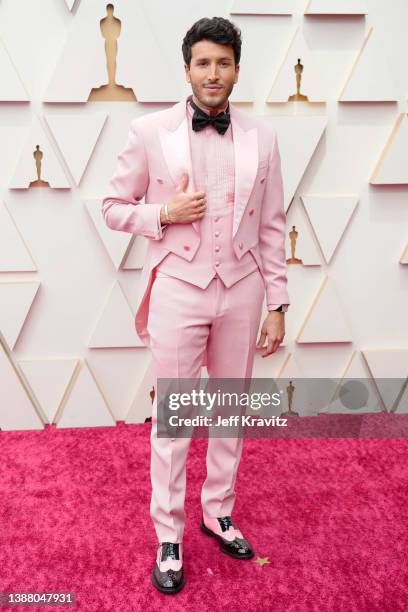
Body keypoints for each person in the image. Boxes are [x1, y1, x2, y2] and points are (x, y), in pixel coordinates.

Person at [102, 16, 290, 594]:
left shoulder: (263, 137)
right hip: (179, 286)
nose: (214, 73)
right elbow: (112, 207)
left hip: (242, 287)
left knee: (230, 412)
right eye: (203, 63)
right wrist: (162, 214)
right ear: (187, 68)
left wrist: (278, 301)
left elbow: (273, 226)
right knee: (177, 420)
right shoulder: (148, 131)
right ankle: (169, 533)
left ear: (237, 68)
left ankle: (218, 511)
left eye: (224, 62)